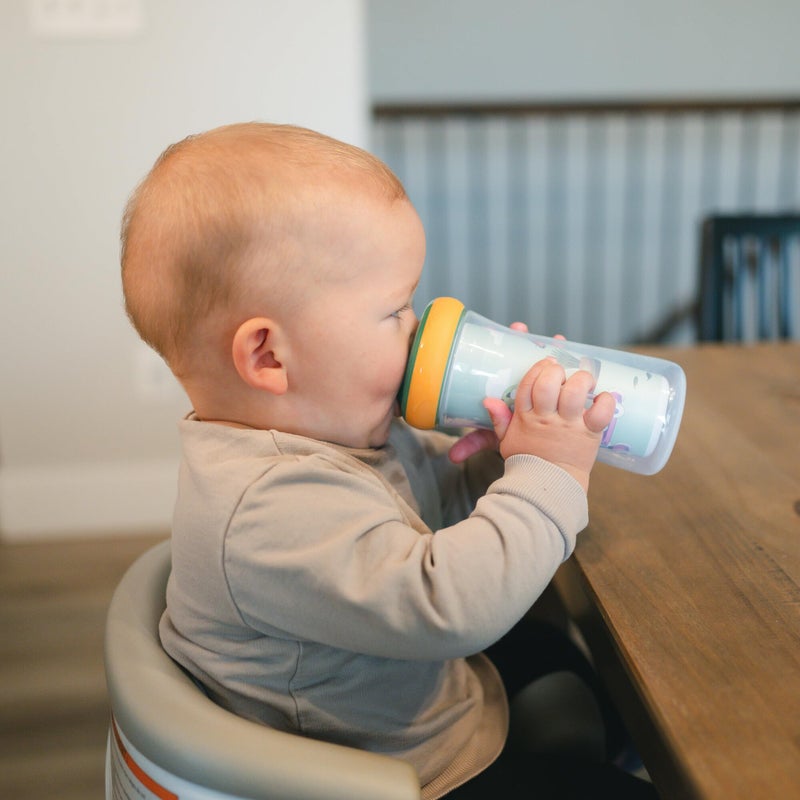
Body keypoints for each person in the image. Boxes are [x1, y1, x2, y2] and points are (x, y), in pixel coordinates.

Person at [120, 122, 656, 799]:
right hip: (399, 775)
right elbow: (450, 603)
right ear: (269, 357)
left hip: (424, 700)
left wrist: (503, 459)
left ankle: (589, 741)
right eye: (395, 310)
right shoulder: (269, 506)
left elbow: (432, 514)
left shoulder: (342, 432)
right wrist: (550, 472)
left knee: (555, 650)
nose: (420, 323)